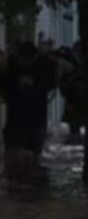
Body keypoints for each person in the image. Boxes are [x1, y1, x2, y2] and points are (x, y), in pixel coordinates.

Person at [0, 41, 73, 175]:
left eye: (29, 60)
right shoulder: (9, 65)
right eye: (23, 60)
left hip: (36, 120)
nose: (26, 64)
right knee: (14, 159)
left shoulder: (45, 65)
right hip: (16, 121)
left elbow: (66, 70)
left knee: (34, 161)